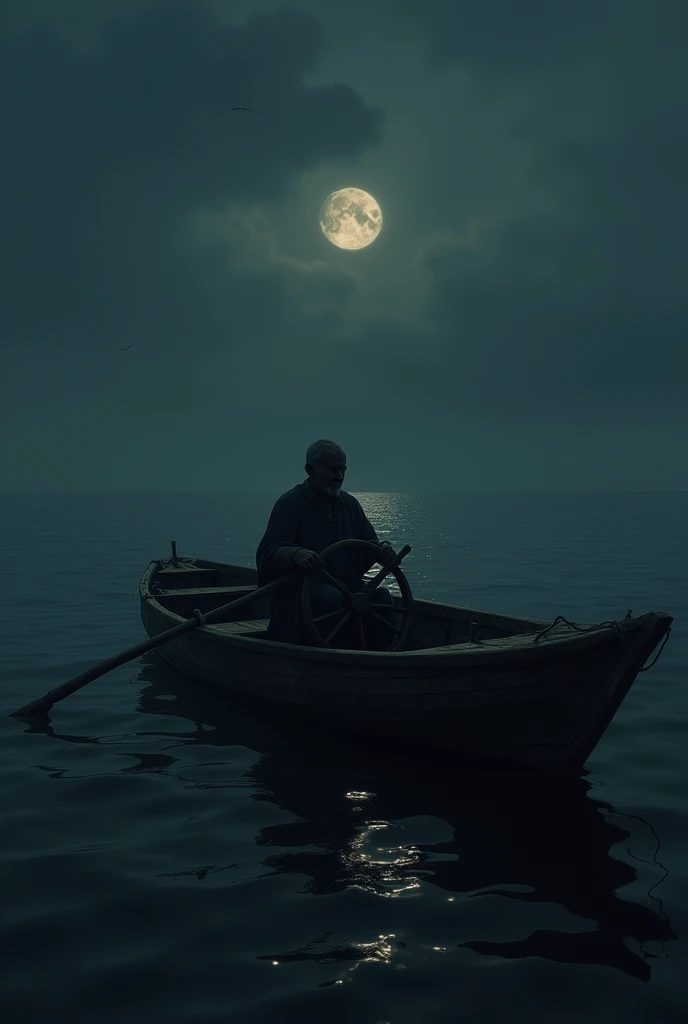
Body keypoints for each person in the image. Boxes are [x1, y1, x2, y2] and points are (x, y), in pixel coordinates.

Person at [256, 439, 398, 648]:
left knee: (382, 596)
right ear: (310, 470)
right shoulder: (290, 504)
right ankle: (328, 657)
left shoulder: (350, 504)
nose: (339, 476)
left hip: (348, 589)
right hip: (299, 596)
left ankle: (385, 658)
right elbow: (267, 553)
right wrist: (296, 555)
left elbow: (369, 544)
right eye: (332, 470)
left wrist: (382, 550)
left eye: (342, 469)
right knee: (329, 597)